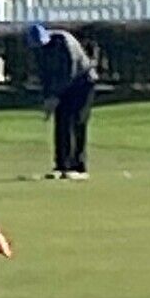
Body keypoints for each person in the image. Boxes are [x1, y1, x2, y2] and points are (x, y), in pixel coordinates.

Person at [30, 20, 98, 179]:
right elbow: (46, 75)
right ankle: (61, 165)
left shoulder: (64, 41)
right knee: (61, 122)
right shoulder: (40, 50)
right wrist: (48, 98)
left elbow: (70, 71)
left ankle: (79, 166)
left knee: (77, 121)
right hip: (65, 85)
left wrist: (55, 96)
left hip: (83, 82)